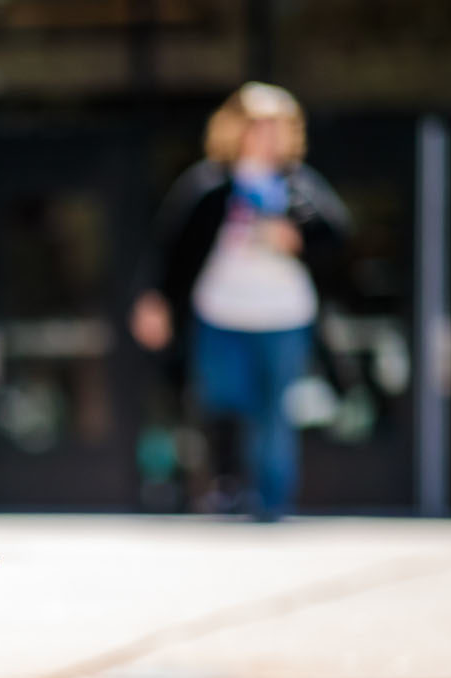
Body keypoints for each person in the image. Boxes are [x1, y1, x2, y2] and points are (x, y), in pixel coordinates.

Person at [130, 83, 351, 521]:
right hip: (221, 314)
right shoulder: (209, 185)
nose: (265, 136)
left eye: (275, 127)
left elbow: (336, 238)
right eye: (256, 127)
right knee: (222, 401)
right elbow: (170, 248)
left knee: (274, 413)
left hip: (284, 316)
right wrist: (153, 300)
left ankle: (270, 502)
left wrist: (295, 239)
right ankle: (227, 489)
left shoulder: (299, 185)